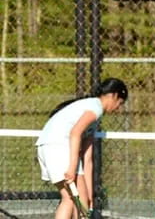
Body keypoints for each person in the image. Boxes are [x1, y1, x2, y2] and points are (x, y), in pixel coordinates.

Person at [35, 78, 128, 219]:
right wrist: (72, 168)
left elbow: (87, 158)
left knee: (77, 200)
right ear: (114, 95)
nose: (117, 108)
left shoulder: (95, 117)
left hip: (49, 147)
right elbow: (75, 133)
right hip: (58, 147)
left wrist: (90, 197)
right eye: (119, 103)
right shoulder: (95, 107)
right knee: (73, 200)